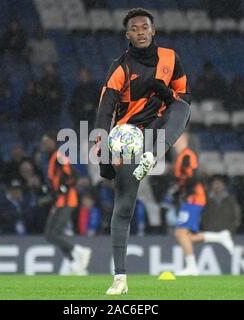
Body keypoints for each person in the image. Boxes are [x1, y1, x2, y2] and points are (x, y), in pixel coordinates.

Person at [94, 8, 192, 294]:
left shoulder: (171, 58)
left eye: (144, 27)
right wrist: (101, 148)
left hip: (159, 128)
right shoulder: (120, 66)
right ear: (128, 35)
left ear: (153, 30)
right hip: (129, 136)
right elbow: (105, 108)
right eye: (134, 28)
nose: (140, 31)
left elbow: (184, 97)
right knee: (123, 206)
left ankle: (154, 154)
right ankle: (120, 278)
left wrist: (166, 94)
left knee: (182, 108)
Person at [172, 147, 234, 276]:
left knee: (180, 233)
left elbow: (193, 176)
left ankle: (192, 267)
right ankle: (220, 237)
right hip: (191, 199)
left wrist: (182, 187)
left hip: (193, 199)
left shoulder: (187, 155)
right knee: (186, 236)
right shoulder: (184, 156)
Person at [41, 132, 91, 275]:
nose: (44, 145)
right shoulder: (51, 158)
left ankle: (79, 252)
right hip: (60, 200)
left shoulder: (59, 155)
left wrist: (63, 187)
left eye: (46, 141)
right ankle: (74, 262)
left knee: (53, 233)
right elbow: (55, 180)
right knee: (50, 234)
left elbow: (71, 176)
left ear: (52, 141)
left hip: (67, 199)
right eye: (43, 142)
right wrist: (49, 189)